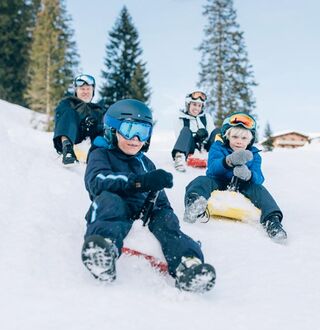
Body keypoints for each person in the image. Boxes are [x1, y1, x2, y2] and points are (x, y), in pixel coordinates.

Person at [81, 98, 216, 293]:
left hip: (146, 210)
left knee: (167, 219)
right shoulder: (101, 154)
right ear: (112, 129)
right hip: (117, 203)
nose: (135, 138)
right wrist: (139, 182)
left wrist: (159, 198)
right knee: (108, 202)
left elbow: (161, 203)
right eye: (129, 130)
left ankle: (188, 265)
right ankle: (103, 251)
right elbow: (97, 181)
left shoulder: (146, 162)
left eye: (142, 132)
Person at [183, 112, 287, 243]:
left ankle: (272, 221)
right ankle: (194, 204)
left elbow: (259, 177)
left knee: (259, 190)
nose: (239, 141)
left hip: (242, 184)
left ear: (250, 141)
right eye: (235, 137)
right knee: (200, 181)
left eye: (244, 138)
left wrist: (248, 176)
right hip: (219, 180)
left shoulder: (255, 155)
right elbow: (212, 169)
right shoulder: (218, 147)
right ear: (228, 136)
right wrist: (228, 161)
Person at [53, 74, 105, 165]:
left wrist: (94, 127)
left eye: (88, 89)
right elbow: (60, 117)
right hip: (73, 137)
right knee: (68, 113)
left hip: (93, 144)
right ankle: (68, 151)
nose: (85, 92)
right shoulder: (68, 103)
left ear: (93, 91)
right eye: (82, 89)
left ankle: (101, 156)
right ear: (76, 91)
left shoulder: (98, 110)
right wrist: (81, 124)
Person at [172, 90, 220, 172]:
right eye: (194, 104)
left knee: (217, 131)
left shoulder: (206, 117)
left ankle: (220, 157)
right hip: (191, 147)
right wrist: (196, 138)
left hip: (206, 148)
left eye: (199, 105)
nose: (197, 108)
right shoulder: (181, 119)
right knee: (186, 130)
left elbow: (212, 134)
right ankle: (179, 158)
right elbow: (180, 137)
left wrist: (204, 136)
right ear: (188, 104)